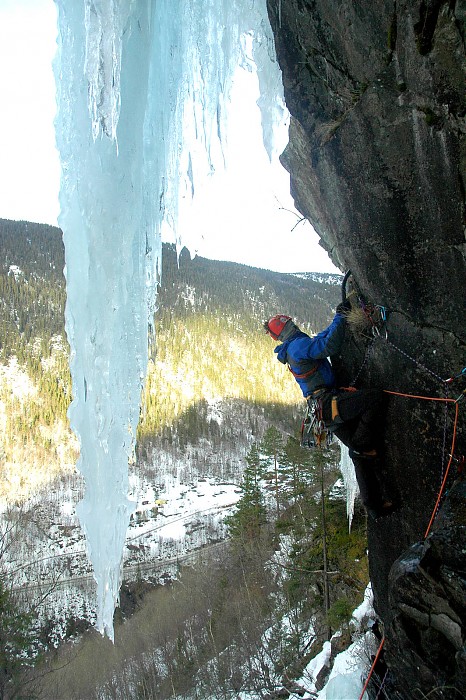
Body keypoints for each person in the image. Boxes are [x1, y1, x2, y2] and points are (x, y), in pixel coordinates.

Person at [263, 307, 397, 517]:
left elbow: (322, 337)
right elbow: (328, 345)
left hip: (323, 410)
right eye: (290, 323)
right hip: (328, 403)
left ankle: (374, 507)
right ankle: (362, 447)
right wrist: (341, 317)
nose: (294, 325)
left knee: (359, 456)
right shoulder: (297, 346)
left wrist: (338, 319)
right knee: (374, 399)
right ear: (287, 327)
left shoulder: (295, 346)